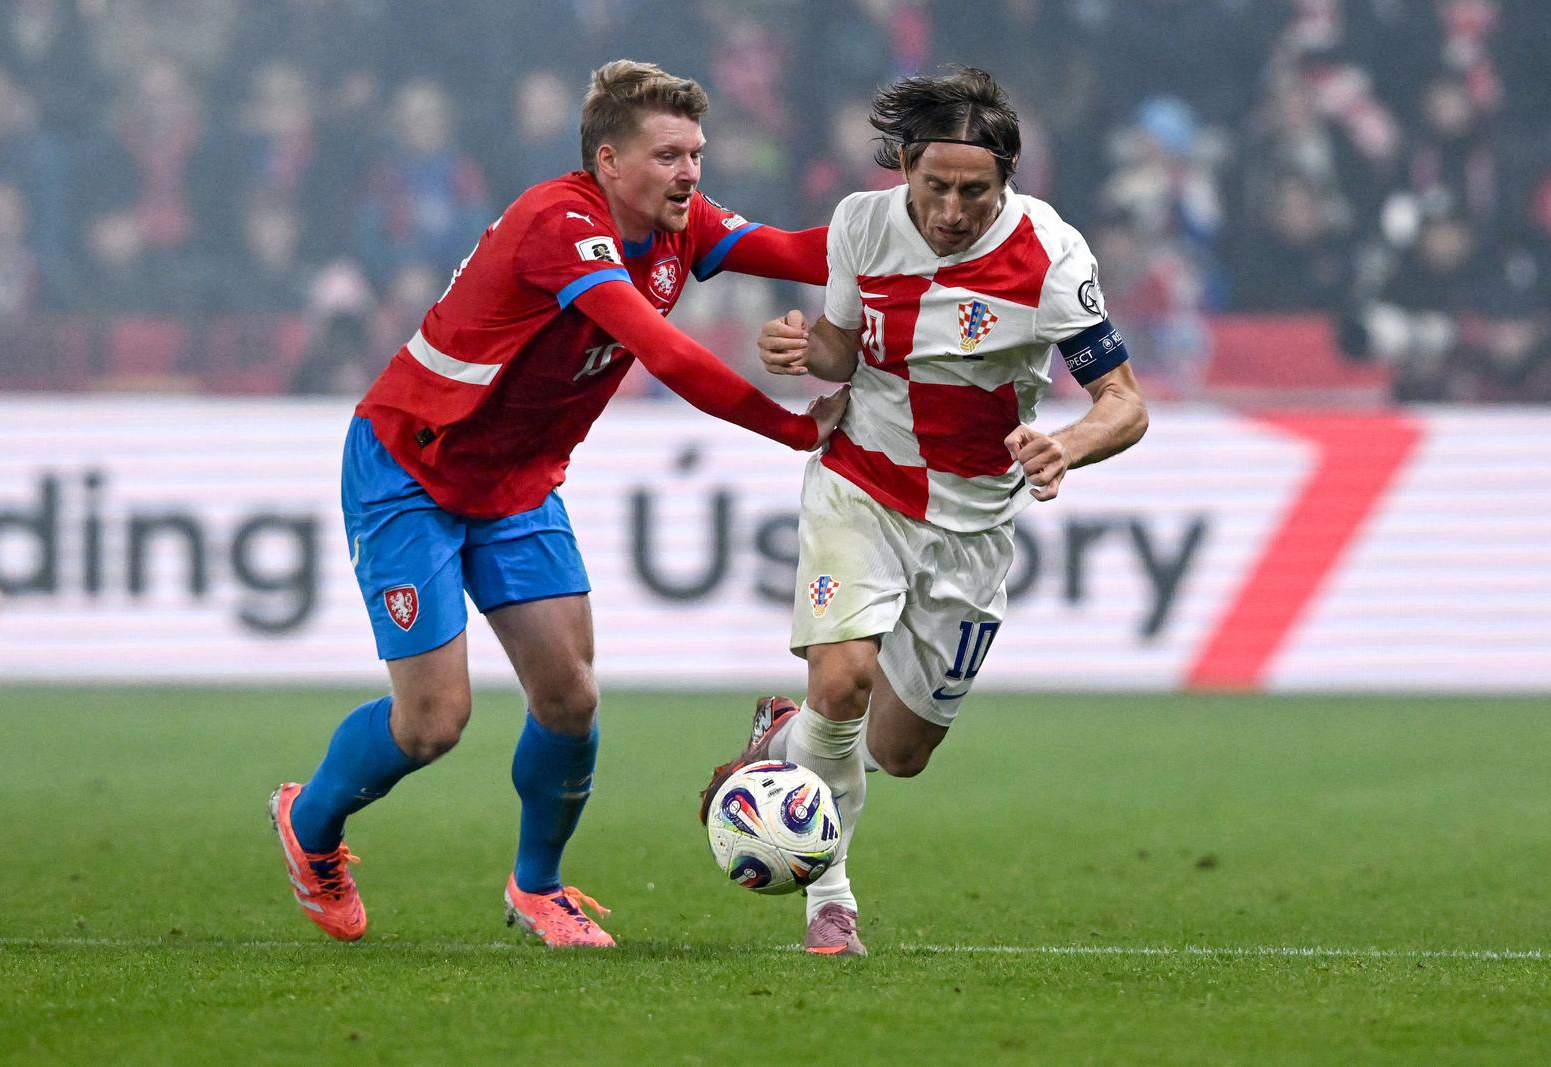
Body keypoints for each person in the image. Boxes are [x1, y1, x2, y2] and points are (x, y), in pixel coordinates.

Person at [270, 60, 847, 948]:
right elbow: (667, 354)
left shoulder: (682, 222)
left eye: (696, 153)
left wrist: (920, 235)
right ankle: (309, 821)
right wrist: (795, 427)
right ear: (609, 160)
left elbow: (803, 251)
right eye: (668, 156)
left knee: (571, 698)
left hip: (517, 480)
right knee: (433, 722)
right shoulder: (560, 223)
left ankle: (537, 886)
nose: (690, 172)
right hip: (412, 465)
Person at [699, 68, 1148, 956]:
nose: (950, 209)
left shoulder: (1052, 257)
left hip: (972, 523)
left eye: (974, 191)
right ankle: (830, 902)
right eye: (934, 185)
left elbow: (1124, 402)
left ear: (1008, 175)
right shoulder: (862, 225)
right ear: (904, 165)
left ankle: (781, 735)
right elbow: (843, 347)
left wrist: (1068, 444)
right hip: (863, 482)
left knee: (900, 749)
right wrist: (805, 348)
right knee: (843, 682)